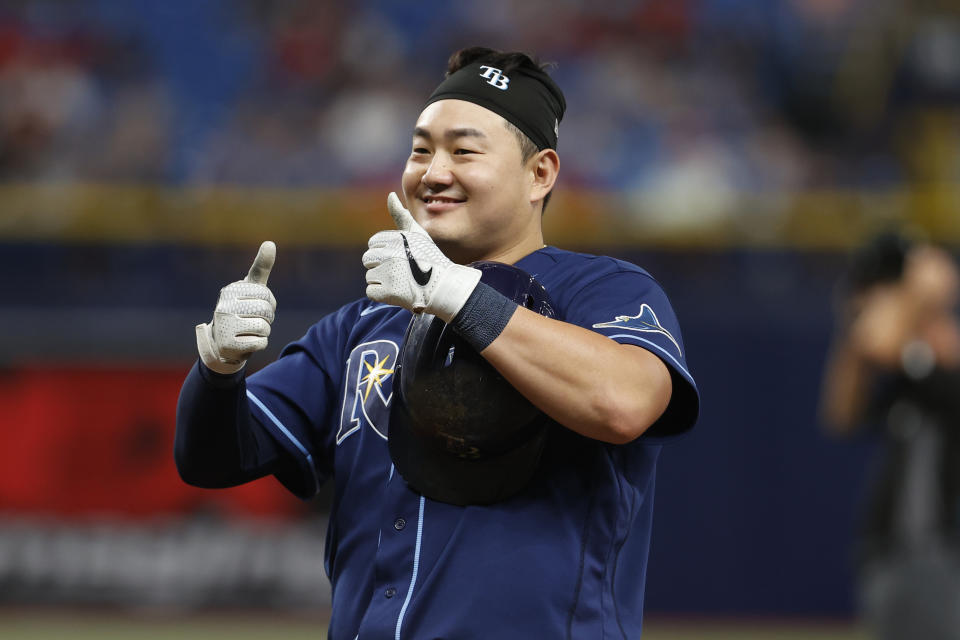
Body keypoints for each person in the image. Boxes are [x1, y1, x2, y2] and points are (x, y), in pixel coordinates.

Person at [176, 46, 699, 639]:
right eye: (421, 148)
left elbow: (625, 401)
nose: (434, 171)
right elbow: (213, 460)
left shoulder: (600, 291)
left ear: (541, 173)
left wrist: (459, 296)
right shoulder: (363, 326)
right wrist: (217, 370)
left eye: (464, 150)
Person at [819, 232, 960, 640]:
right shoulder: (911, 379)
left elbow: (888, 345)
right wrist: (855, 324)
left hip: (935, 553)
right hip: (891, 553)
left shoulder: (941, 371)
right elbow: (841, 416)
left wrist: (915, 295)